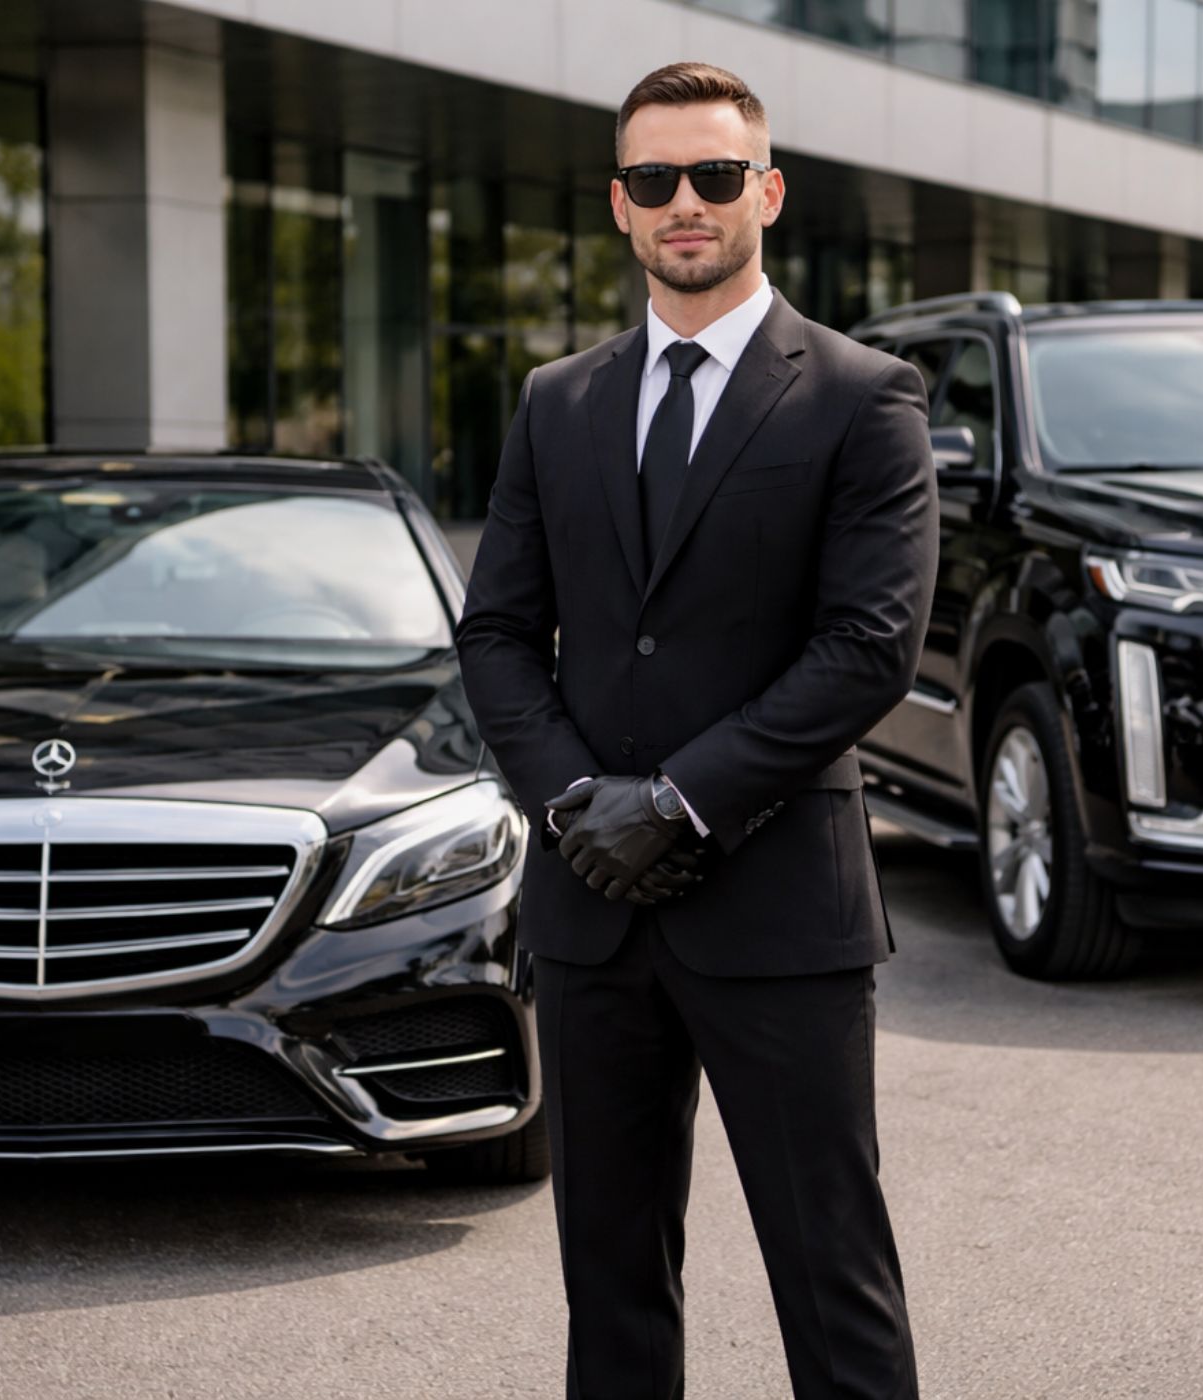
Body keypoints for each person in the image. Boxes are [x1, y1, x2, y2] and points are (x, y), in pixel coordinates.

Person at [456, 60, 936, 1400]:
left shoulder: (862, 397)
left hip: (778, 911)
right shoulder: (559, 402)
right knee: (610, 1293)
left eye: (716, 177)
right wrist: (573, 804)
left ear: (765, 192)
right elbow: (496, 630)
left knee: (834, 1288)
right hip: (592, 915)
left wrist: (675, 802)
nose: (687, 203)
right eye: (657, 180)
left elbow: (867, 649)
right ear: (619, 204)